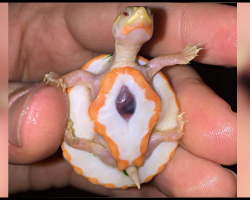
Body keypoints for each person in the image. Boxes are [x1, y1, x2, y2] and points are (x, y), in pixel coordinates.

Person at [8, 3, 236, 197]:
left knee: (100, 146)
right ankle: (170, 135)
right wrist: (60, 81)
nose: (140, 16)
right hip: (139, 148)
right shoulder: (120, 74)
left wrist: (180, 56)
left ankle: (78, 141)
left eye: (148, 15)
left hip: (121, 151)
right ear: (115, 27)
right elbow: (81, 77)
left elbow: (81, 78)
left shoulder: (108, 77)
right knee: (152, 138)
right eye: (127, 14)